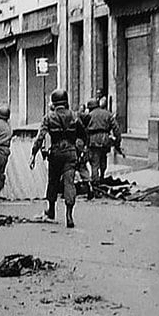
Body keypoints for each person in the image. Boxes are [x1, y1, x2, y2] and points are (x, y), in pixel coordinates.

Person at [29, 89, 86, 228]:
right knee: (69, 183)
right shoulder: (74, 116)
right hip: (70, 153)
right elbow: (83, 135)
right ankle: (69, 215)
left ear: (54, 103)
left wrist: (33, 154)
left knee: (53, 182)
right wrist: (79, 150)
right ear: (66, 101)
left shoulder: (48, 117)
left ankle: (51, 210)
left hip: (55, 153)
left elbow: (40, 137)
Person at [85, 98, 121, 189]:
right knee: (103, 158)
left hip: (93, 140)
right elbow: (116, 128)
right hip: (105, 139)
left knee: (94, 162)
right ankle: (102, 177)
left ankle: (95, 183)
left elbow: (84, 129)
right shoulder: (107, 114)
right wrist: (117, 141)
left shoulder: (89, 115)